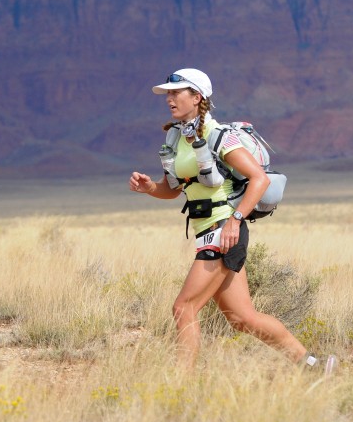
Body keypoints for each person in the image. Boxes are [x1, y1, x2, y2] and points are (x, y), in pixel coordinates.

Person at [128, 68, 336, 373]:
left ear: (196, 97)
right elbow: (172, 190)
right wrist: (149, 188)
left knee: (183, 308)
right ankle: (315, 365)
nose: (169, 98)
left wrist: (234, 221)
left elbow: (259, 179)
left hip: (223, 232)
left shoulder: (217, 136)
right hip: (207, 232)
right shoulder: (177, 138)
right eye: (168, 94)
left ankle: (180, 387)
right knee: (242, 319)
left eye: (176, 92)